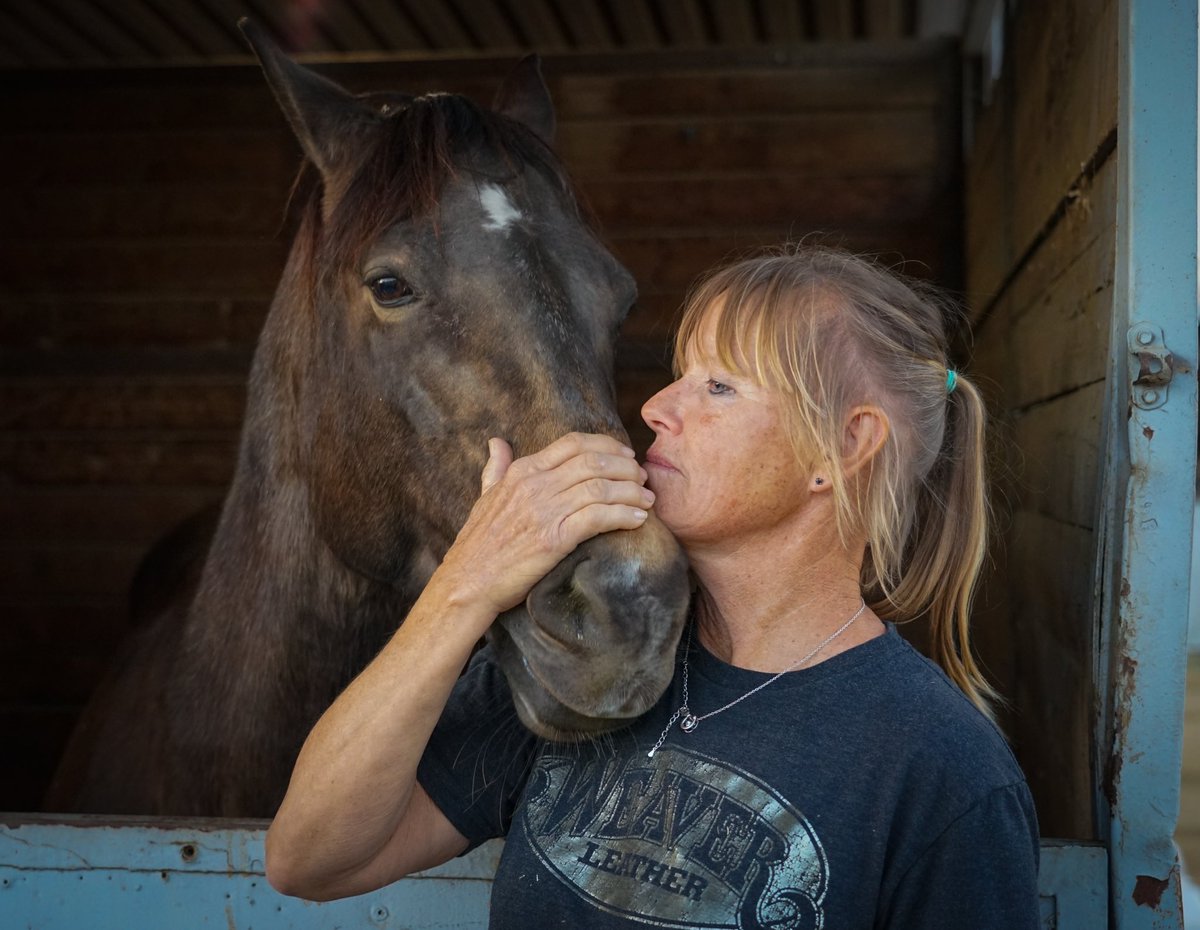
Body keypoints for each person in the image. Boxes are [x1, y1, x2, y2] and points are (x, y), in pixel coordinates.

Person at [264, 246, 1040, 928]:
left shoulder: (943, 771)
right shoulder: (583, 648)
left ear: (844, 446)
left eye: (720, 388)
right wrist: (466, 585)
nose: (656, 408)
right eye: (680, 378)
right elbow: (309, 860)